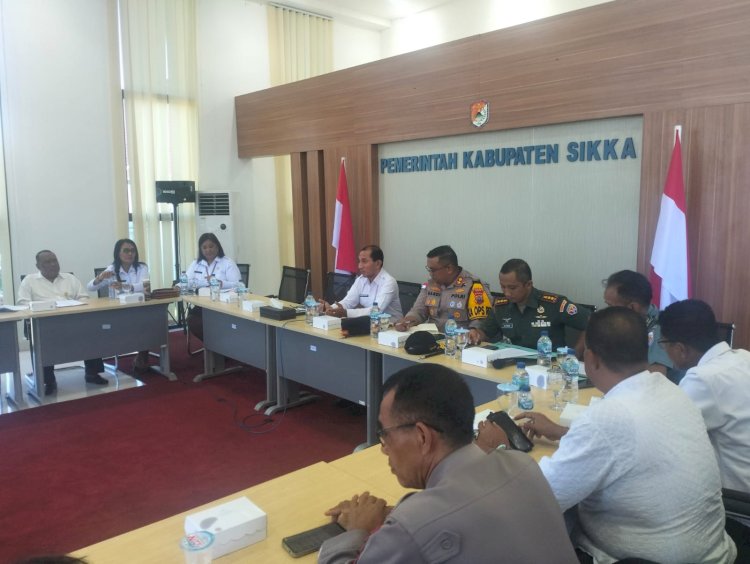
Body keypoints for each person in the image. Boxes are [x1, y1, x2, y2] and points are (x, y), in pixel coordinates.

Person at [476, 307, 736, 563]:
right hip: (713, 550)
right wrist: (564, 433)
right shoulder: (672, 391)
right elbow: (625, 444)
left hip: (641, 556)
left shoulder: (607, 418)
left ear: (591, 358)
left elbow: (540, 497)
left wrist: (500, 451)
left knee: (508, 525)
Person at [319, 364, 577, 564]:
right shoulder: (523, 464)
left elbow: (425, 525)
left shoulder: (413, 525)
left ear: (422, 436)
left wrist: (357, 530)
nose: (384, 449)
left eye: (385, 434)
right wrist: (390, 514)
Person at [659, 299, 750, 557]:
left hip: (737, 509)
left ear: (680, 349)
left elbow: (660, 433)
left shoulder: (704, 379)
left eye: (664, 345)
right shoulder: (743, 357)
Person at [18, 250, 107, 395]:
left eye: (55, 260)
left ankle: (92, 373)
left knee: (91, 330)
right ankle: (47, 380)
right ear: (38, 265)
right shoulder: (29, 280)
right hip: (43, 324)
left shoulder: (70, 279)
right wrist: (49, 307)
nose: (53, 264)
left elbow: (84, 298)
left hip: (72, 320)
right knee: (42, 340)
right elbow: (23, 303)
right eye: (47, 262)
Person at [469, 258, 590, 355]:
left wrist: (575, 354)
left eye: (512, 288)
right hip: (512, 366)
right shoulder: (501, 307)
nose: (506, 293)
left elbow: (592, 323)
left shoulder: (554, 304)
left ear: (528, 284)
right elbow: (485, 332)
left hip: (548, 368)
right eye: (503, 287)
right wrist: (475, 334)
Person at [603, 269, 682, 381]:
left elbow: (656, 376)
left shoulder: (659, 327)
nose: (607, 312)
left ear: (632, 307)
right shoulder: (627, 324)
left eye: (611, 306)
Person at [87, 238, 151, 373]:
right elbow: (90, 288)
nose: (130, 254)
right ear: (118, 253)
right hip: (119, 312)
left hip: (139, 308)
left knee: (148, 322)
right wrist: (100, 278)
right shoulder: (112, 269)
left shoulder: (141, 267)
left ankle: (142, 354)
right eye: (126, 251)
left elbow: (146, 286)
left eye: (133, 251)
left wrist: (126, 286)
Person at [394, 245, 490, 333]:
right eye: (429, 269)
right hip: (432, 339)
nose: (430, 274)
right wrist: (407, 321)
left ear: (449, 268)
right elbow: (418, 311)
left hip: (460, 342)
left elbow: (480, 323)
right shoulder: (430, 284)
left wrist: (473, 332)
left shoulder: (475, 286)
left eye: (433, 270)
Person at [319, 245, 403, 319]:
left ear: (378, 263)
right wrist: (331, 308)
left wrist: (346, 313)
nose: (359, 266)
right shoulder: (361, 280)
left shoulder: (389, 282)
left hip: (392, 328)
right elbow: (348, 302)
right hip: (370, 325)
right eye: (359, 261)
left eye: (364, 261)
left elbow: (376, 311)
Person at [184, 233, 241, 341]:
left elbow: (238, 285)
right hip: (203, 304)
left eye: (211, 246)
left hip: (223, 305)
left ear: (217, 247)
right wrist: (178, 286)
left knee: (218, 322)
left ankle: (218, 349)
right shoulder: (196, 263)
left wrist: (221, 283)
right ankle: (213, 347)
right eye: (204, 247)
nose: (208, 250)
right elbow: (186, 280)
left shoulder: (227, 263)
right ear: (200, 249)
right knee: (193, 321)